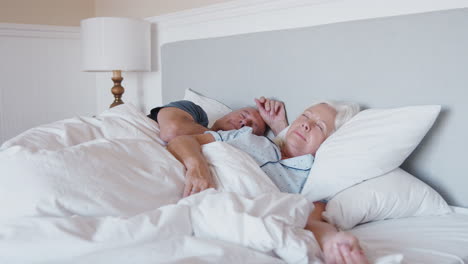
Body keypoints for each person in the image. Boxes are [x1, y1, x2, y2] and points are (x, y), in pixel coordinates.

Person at [166, 101, 367, 263]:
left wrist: (333, 241)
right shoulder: (246, 137)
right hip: (196, 196)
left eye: (320, 126)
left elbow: (310, 220)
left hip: (242, 221)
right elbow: (181, 141)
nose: (306, 124)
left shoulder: (313, 177)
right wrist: (196, 166)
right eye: (305, 115)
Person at [148, 97, 288, 143]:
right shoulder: (194, 112)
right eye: (243, 115)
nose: (245, 122)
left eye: (251, 127)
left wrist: (278, 126)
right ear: (229, 113)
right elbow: (172, 131)